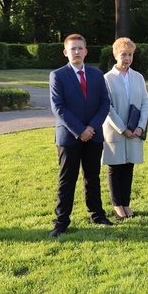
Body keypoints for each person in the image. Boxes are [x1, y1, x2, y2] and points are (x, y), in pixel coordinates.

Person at [49, 34, 112, 237]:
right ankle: (61, 222)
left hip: (93, 136)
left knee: (92, 177)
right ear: (65, 52)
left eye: (80, 48)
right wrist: (80, 130)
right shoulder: (57, 76)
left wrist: (91, 128)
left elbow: (105, 103)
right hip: (69, 138)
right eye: (72, 49)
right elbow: (59, 108)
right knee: (67, 180)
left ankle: (97, 215)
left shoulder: (96, 75)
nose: (76, 52)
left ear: (86, 51)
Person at [102, 37, 148, 221]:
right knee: (116, 167)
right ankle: (117, 205)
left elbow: (145, 102)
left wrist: (139, 126)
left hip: (135, 131)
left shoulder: (137, 77)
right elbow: (107, 107)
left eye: (130, 54)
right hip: (115, 130)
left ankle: (126, 203)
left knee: (129, 167)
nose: (127, 58)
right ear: (115, 55)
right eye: (123, 54)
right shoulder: (107, 78)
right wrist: (123, 128)